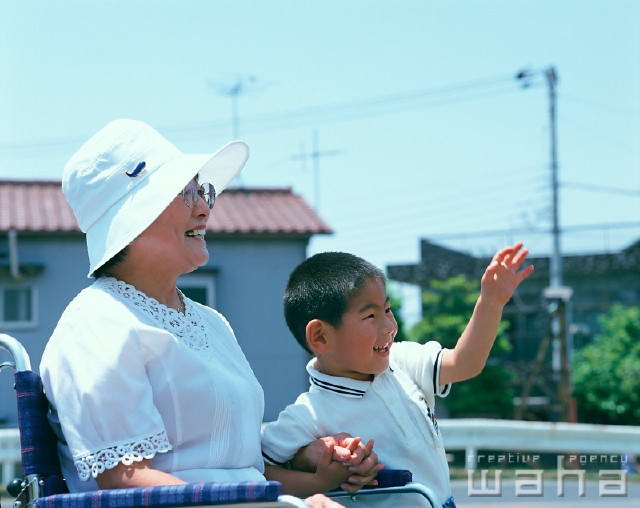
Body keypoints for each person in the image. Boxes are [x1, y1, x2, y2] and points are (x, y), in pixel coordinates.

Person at [39, 119, 376, 508]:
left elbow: (246, 476)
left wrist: (319, 474)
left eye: (202, 191)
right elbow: (124, 480)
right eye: (185, 193)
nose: (204, 208)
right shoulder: (97, 323)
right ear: (133, 219)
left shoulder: (213, 322)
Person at [261, 247, 534, 507]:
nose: (390, 326)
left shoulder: (401, 360)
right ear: (320, 337)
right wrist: (318, 481)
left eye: (387, 310)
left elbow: (464, 363)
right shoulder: (307, 415)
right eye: (370, 315)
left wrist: (490, 302)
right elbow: (260, 473)